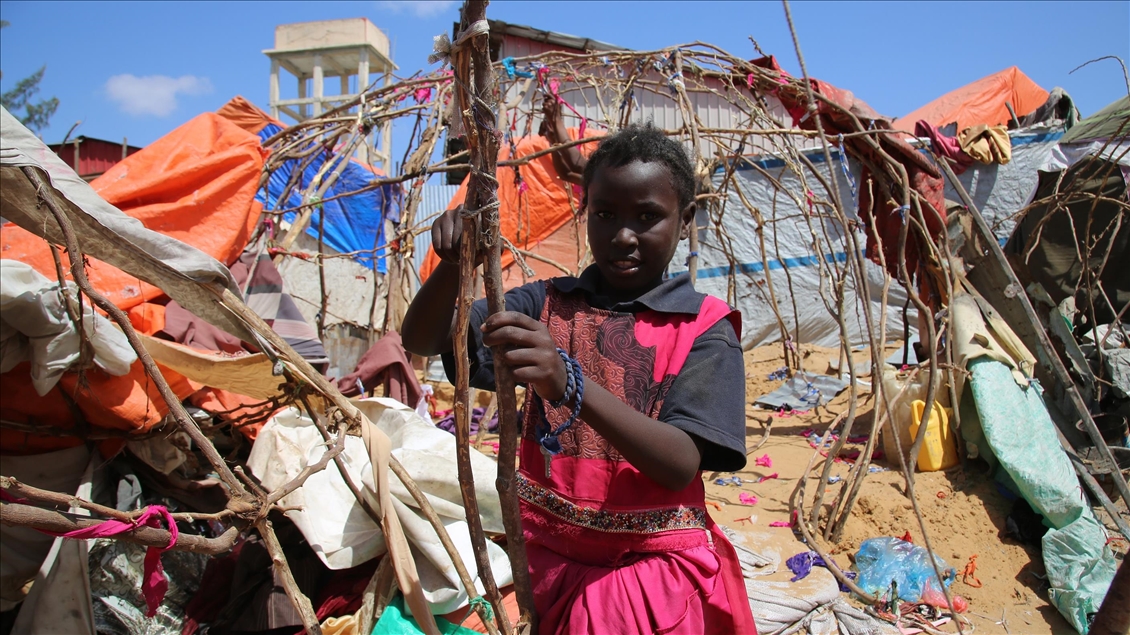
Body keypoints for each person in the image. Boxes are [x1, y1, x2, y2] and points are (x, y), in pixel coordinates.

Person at [401, 123, 755, 635]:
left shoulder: (703, 329)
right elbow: (425, 337)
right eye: (605, 214)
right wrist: (452, 267)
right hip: (544, 556)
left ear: (685, 220)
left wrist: (569, 384)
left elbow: (679, 464)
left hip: (645, 567)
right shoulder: (547, 304)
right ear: (585, 211)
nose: (623, 236)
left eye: (647, 217)